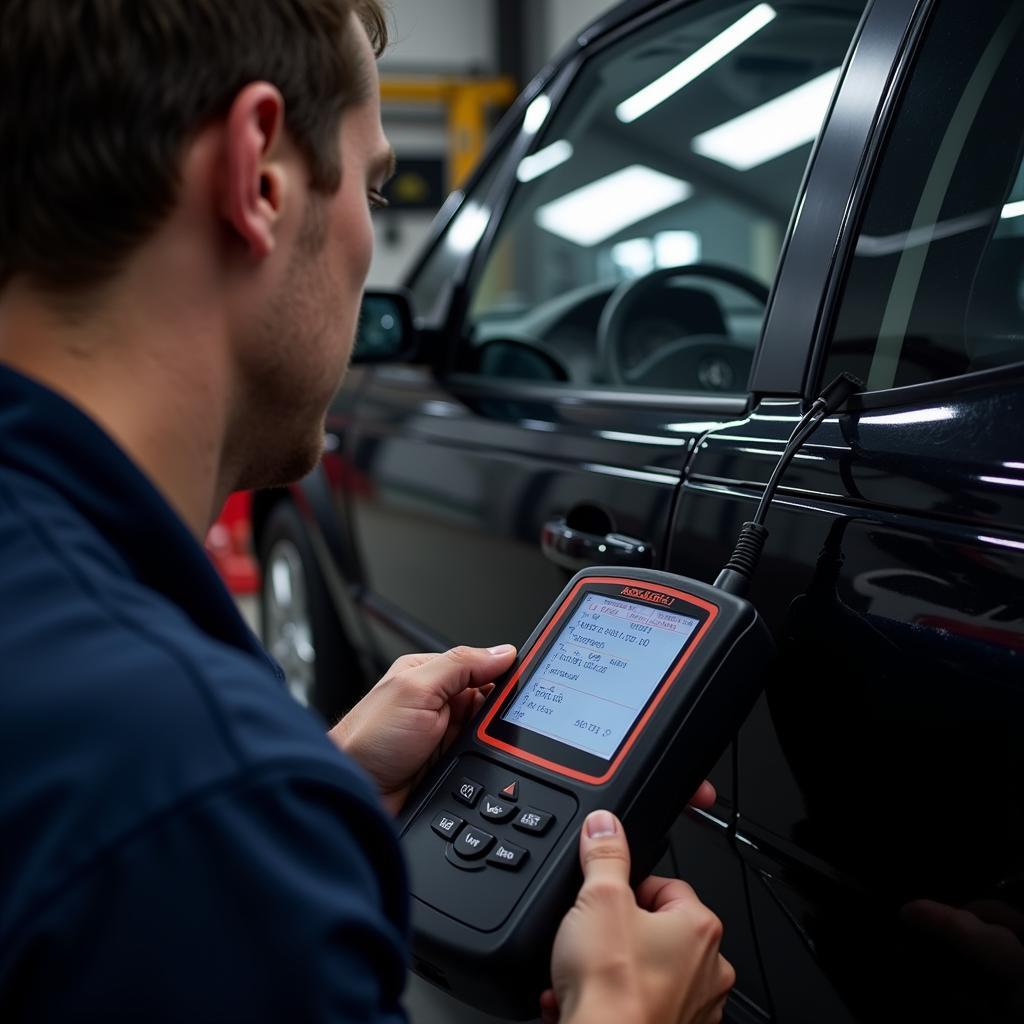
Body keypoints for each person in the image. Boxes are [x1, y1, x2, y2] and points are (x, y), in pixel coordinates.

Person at [0, 1, 735, 1021]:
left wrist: (315, 789)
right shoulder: (182, 788)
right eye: (374, 181)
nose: (365, 241)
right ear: (258, 176)